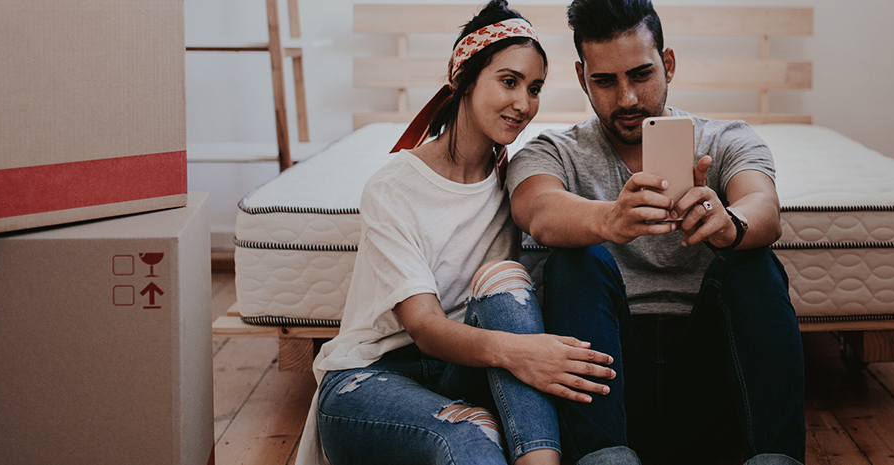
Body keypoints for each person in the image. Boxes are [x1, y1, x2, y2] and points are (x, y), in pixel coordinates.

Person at [294, 2, 616, 464]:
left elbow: (551, 239)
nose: (523, 104)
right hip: (369, 381)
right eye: (508, 81)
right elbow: (423, 327)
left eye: (535, 88)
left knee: (504, 279)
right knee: (474, 432)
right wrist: (521, 352)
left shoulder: (515, 185)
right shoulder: (393, 187)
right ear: (462, 76)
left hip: (460, 372)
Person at [506, 0, 805, 463]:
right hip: (614, 384)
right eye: (605, 81)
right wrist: (610, 220)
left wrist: (730, 225)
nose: (626, 98)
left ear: (667, 64)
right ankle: (606, 457)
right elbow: (538, 210)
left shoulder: (726, 140)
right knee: (573, 259)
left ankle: (774, 458)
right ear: (584, 78)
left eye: (641, 74)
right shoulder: (554, 151)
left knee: (755, 259)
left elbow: (764, 208)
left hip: (713, 376)